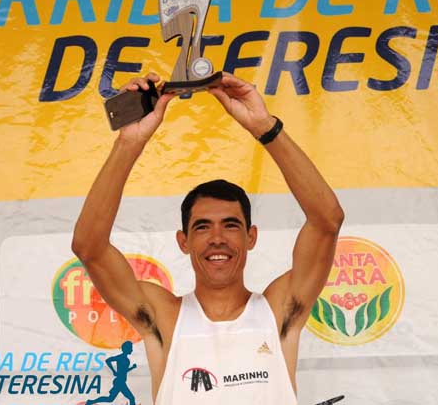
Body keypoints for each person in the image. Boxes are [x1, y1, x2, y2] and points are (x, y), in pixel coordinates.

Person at [72, 72, 344, 404]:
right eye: (202, 227)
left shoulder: (278, 311)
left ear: (251, 237)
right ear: (183, 241)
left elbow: (327, 221)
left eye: (230, 225)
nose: (217, 238)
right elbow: (90, 248)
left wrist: (265, 127)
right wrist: (129, 143)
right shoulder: (165, 318)